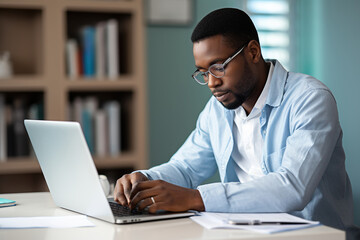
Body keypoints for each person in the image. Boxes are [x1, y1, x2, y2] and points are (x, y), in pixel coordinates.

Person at [114, 8, 354, 230]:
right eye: (203, 72)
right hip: (241, 231)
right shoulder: (217, 109)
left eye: (219, 67)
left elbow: (292, 187)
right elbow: (185, 168)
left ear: (253, 52)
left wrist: (195, 198)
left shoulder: (310, 99)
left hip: (312, 234)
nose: (211, 82)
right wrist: (144, 180)